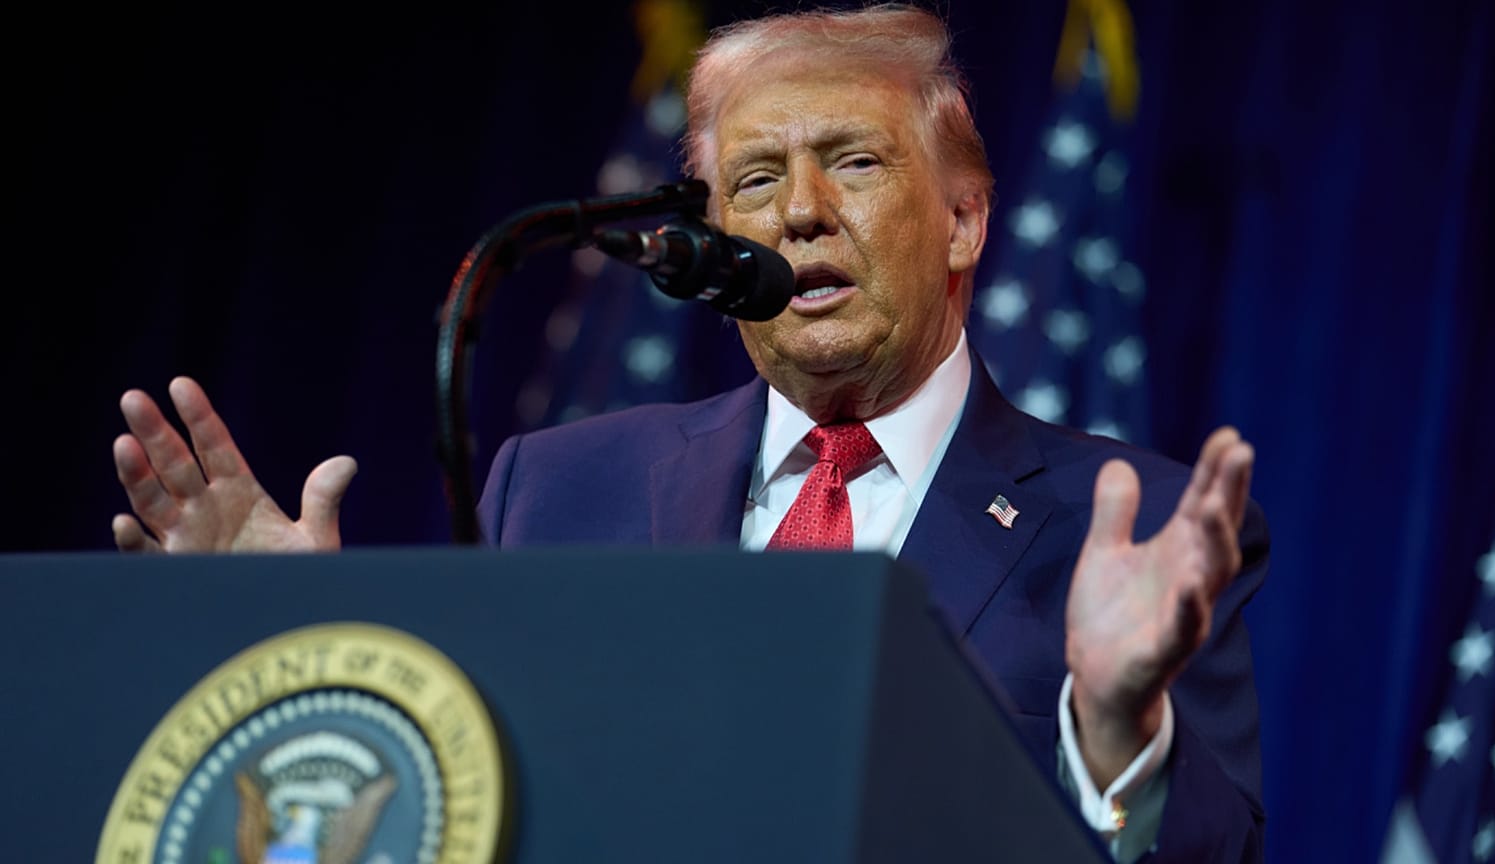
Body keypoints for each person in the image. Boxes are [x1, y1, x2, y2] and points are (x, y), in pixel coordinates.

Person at [112, 5, 1265, 861]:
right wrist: (317, 665)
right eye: (755, 179)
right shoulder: (559, 490)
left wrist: (1118, 732)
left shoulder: (1138, 528)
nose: (800, 209)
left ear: (963, 219)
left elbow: (1219, 851)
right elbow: (477, 804)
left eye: (853, 162)